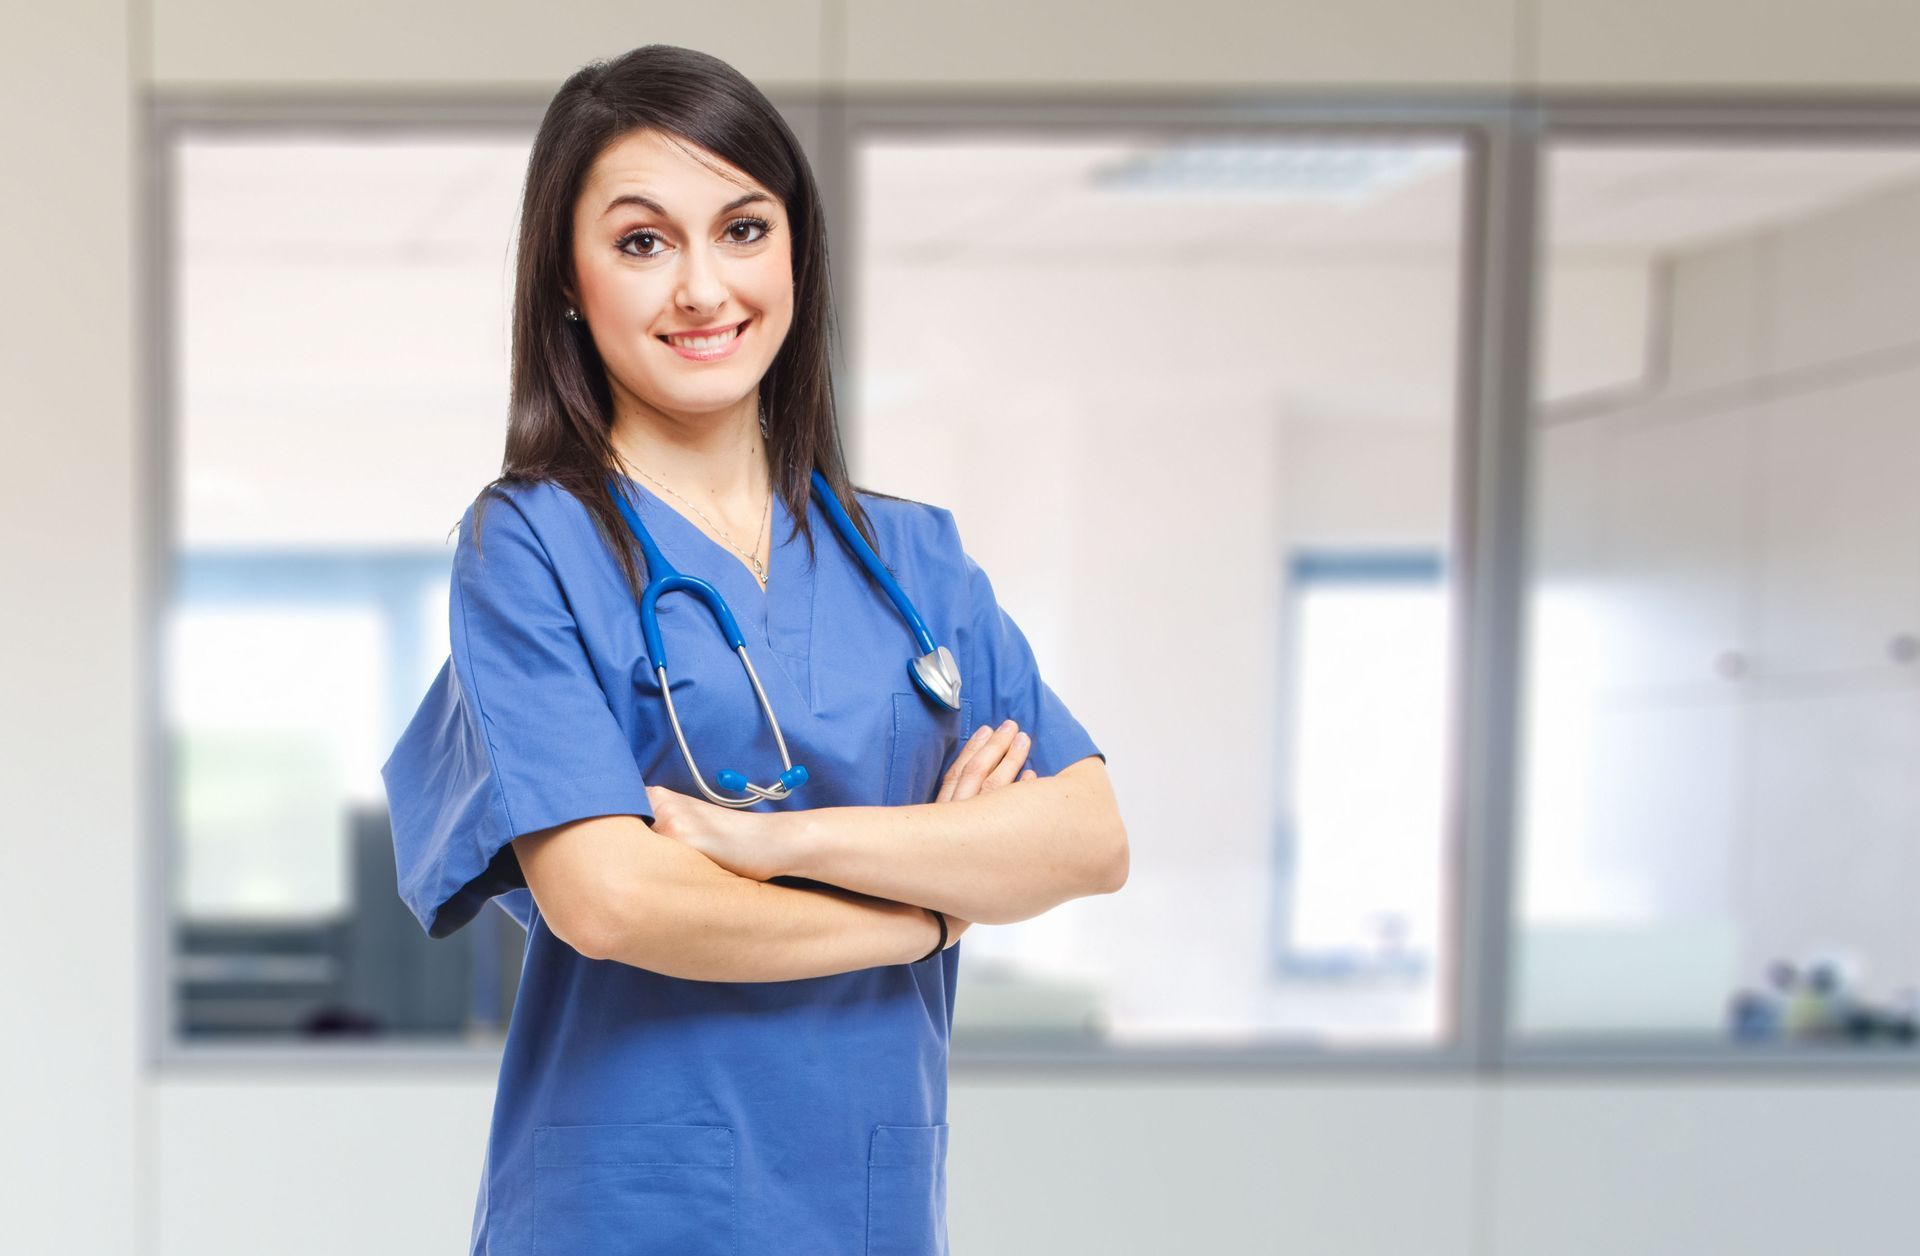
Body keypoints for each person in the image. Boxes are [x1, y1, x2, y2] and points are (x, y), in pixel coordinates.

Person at [380, 43, 1128, 1256]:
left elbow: (1088, 838)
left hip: (872, 1205)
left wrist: (774, 842)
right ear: (568, 279)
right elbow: (611, 897)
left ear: (796, 252)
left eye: (742, 228)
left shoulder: (911, 557)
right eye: (641, 241)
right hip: (625, 1206)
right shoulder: (531, 546)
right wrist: (928, 907)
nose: (701, 287)